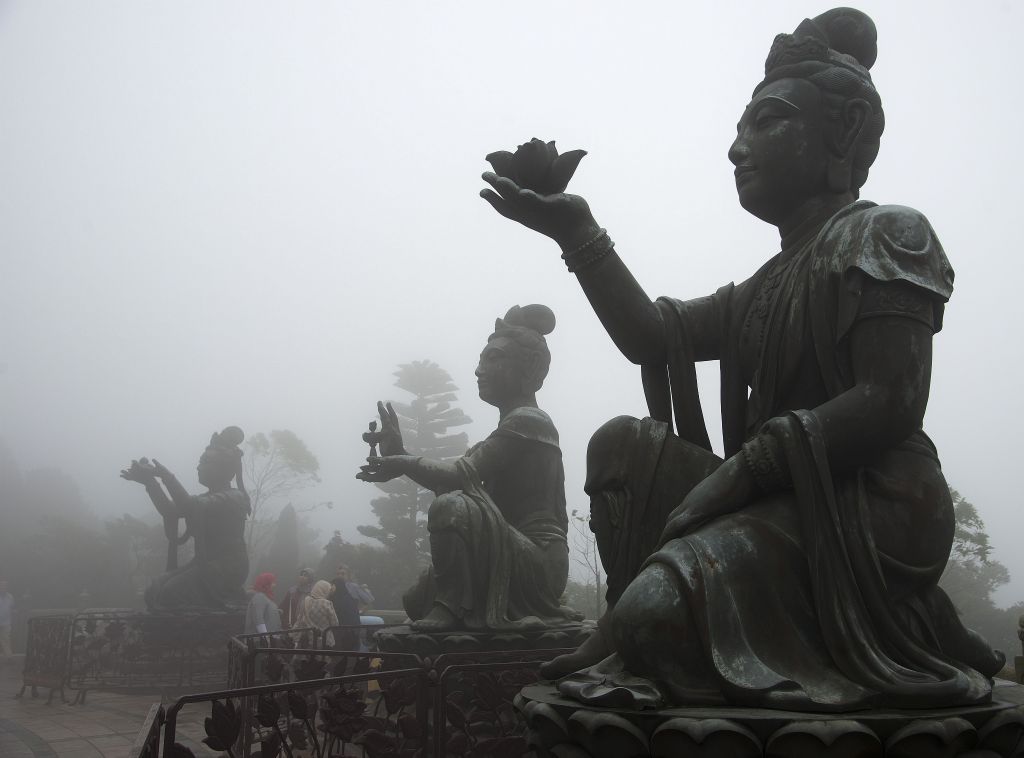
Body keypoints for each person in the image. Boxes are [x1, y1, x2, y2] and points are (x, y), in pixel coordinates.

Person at [479, 8, 1002, 711]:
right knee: (620, 444)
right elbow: (652, 336)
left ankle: (648, 623)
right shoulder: (763, 286)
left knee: (658, 615)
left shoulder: (888, 234)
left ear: (845, 131)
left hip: (869, 505)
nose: (736, 149)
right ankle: (627, 621)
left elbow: (891, 401)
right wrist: (577, 232)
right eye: (738, 129)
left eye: (766, 122)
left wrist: (743, 473)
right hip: (778, 495)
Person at [358, 305, 583, 633]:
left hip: (538, 561)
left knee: (450, 507)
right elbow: (454, 480)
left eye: (493, 359)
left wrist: (402, 462)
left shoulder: (530, 421)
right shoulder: (501, 434)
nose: (479, 370)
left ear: (530, 367)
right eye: (481, 361)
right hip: (504, 548)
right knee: (415, 599)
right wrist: (401, 455)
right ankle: (449, 605)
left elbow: (456, 478)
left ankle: (450, 607)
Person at [121, 427, 250, 610]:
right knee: (154, 589)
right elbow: (170, 511)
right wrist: (150, 482)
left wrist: (167, 476)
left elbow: (189, 506)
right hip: (203, 563)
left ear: (224, 469)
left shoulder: (234, 497)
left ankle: (198, 625)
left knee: (170, 593)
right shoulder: (206, 498)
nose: (198, 467)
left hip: (227, 567)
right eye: (200, 462)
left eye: (205, 462)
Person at [296, 580, 338, 647]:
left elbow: (300, 620)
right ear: (324, 590)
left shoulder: (306, 601)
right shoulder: (326, 603)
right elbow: (335, 624)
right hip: (326, 640)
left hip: (310, 640)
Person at [331, 565, 361, 649]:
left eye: (343, 574)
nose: (340, 576)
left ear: (348, 575)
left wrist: (361, 611)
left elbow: (366, 601)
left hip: (350, 631)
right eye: (338, 574)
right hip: (339, 631)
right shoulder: (333, 589)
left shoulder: (354, 588)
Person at [0, 580, 13, 658]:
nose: (3, 587)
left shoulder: (10, 597)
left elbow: (11, 608)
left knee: (6, 640)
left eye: (5, 585)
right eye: (2, 585)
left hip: (6, 623)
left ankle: (9, 658)